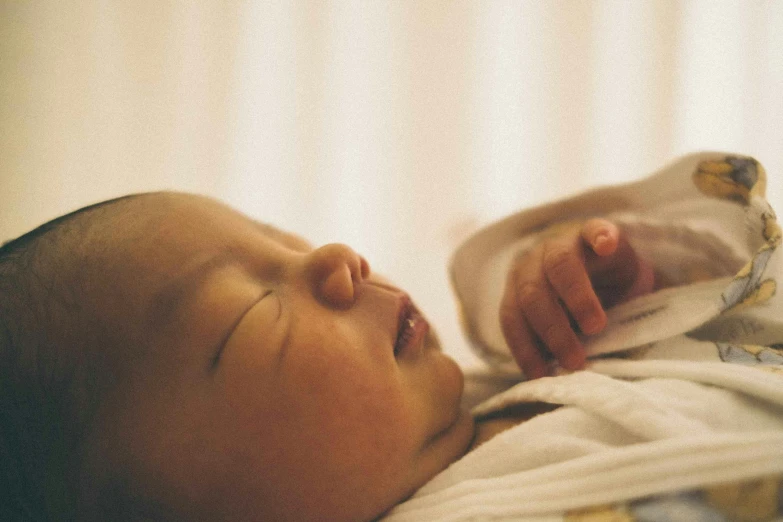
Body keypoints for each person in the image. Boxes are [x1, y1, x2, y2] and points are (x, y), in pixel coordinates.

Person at [2, 152, 783, 522]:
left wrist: (627, 276)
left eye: (288, 240)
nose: (337, 258)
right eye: (248, 316)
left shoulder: (522, 369)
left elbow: (739, 259)